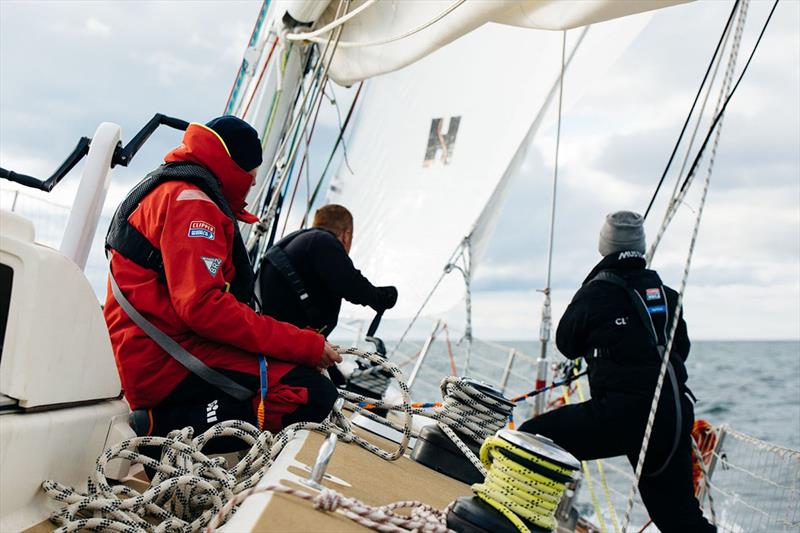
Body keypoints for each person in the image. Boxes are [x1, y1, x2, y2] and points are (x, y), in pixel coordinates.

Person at [103, 116, 341, 441]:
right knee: (308, 392)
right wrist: (306, 346)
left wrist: (298, 347)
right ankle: (161, 430)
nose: (254, 185)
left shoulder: (177, 190)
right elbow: (203, 307)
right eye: (253, 176)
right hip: (163, 361)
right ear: (235, 168)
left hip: (156, 347)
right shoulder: (193, 204)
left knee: (299, 376)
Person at [519, 211, 715, 532]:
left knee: (531, 438)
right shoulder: (667, 295)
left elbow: (566, 342)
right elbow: (682, 350)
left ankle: (521, 523)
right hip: (673, 414)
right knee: (679, 517)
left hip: (620, 415)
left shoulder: (596, 293)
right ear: (641, 245)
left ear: (604, 245)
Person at [258, 204, 397, 338]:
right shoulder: (322, 241)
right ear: (346, 235)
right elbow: (350, 283)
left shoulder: (297, 242)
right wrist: (381, 297)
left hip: (278, 337)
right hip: (290, 344)